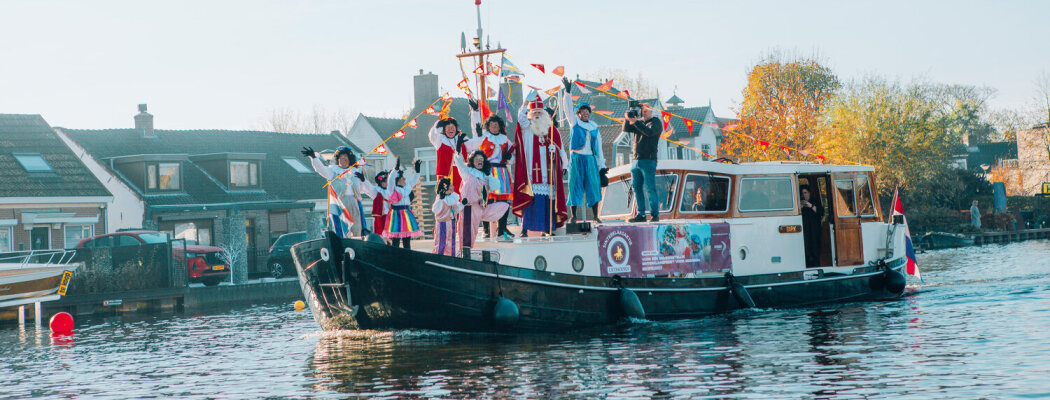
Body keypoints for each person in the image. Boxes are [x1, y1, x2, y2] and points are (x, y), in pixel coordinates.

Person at [512, 91, 569, 236]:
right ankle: (525, 229)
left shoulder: (551, 129)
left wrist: (559, 156)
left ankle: (547, 228)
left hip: (548, 170)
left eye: (539, 112)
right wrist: (525, 104)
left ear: (544, 113)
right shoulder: (527, 128)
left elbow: (561, 148)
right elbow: (520, 119)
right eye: (534, 112)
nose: (537, 115)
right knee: (530, 198)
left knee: (547, 200)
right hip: (531, 170)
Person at [560, 77, 607, 224]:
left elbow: (598, 147)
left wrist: (602, 165)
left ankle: (595, 215)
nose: (585, 113)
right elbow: (567, 108)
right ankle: (574, 216)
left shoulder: (594, 127)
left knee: (593, 186)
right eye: (582, 111)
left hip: (590, 159)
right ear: (579, 113)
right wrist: (567, 92)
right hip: (577, 158)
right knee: (575, 185)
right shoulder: (575, 122)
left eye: (587, 111)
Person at [466, 99, 515, 240]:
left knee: (504, 201)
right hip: (487, 172)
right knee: (486, 200)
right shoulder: (484, 136)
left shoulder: (504, 139)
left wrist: (508, 157)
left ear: (500, 127)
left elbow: (513, 158)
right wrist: (475, 112)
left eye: (497, 125)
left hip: (502, 172)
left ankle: (502, 229)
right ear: (488, 126)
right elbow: (475, 129)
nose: (494, 127)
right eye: (492, 125)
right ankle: (486, 229)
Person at [302, 145, 372, 236]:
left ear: (349, 159)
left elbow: (369, 189)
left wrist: (365, 181)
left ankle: (357, 245)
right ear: (337, 160)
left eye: (345, 157)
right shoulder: (333, 172)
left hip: (355, 203)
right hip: (340, 204)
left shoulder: (356, 173)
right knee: (342, 229)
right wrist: (314, 158)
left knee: (357, 228)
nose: (343, 159)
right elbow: (321, 169)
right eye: (341, 157)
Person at [455, 149, 511, 248]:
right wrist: (458, 151)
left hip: (481, 207)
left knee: (504, 206)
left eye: (481, 159)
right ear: (472, 161)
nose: (479, 160)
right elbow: (460, 164)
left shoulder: (485, 175)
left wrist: (489, 174)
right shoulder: (468, 172)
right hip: (469, 208)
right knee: (468, 232)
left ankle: (501, 233)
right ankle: (465, 252)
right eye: (477, 159)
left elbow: (495, 186)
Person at [621, 103, 663, 222]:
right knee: (636, 187)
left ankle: (655, 214)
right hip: (636, 160)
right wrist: (627, 118)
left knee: (650, 187)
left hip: (648, 160)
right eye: (642, 111)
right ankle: (641, 214)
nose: (643, 113)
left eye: (645, 111)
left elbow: (649, 132)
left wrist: (635, 121)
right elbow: (626, 129)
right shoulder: (639, 123)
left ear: (652, 111)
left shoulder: (656, 123)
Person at [378, 158, 423, 248]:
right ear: (397, 179)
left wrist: (417, 171)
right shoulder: (392, 189)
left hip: (406, 213)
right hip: (396, 214)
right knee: (396, 239)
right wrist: (395, 169)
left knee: (407, 239)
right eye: (402, 177)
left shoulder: (407, 187)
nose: (404, 179)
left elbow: (414, 180)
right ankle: (395, 257)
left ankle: (407, 256)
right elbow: (390, 180)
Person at [428, 116, 467, 194]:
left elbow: (474, 144)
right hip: (444, 173)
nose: (450, 129)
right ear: (444, 129)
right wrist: (437, 125)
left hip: (460, 171)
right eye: (448, 127)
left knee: (460, 194)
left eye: (452, 127)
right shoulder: (439, 139)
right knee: (444, 195)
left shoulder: (462, 138)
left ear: (456, 128)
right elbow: (432, 136)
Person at [431, 178, 463, 256]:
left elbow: (456, 209)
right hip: (443, 223)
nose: (452, 186)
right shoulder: (440, 197)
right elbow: (435, 209)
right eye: (450, 185)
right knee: (441, 242)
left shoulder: (453, 197)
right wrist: (441, 200)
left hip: (451, 222)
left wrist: (463, 204)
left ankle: (451, 257)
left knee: (451, 242)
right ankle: (439, 257)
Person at [800, 185, 824, 267]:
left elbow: (821, 212)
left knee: (816, 251)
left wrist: (811, 206)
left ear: (809, 193)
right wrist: (801, 207)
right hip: (805, 231)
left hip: (815, 231)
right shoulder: (800, 203)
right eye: (802, 193)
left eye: (805, 193)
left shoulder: (815, 201)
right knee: (806, 251)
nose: (804, 195)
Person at [370, 171, 390, 238]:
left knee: (390, 234)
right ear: (382, 183)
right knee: (380, 233)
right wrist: (363, 180)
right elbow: (368, 188)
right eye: (386, 181)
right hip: (380, 216)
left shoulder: (391, 190)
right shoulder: (376, 190)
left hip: (390, 215)